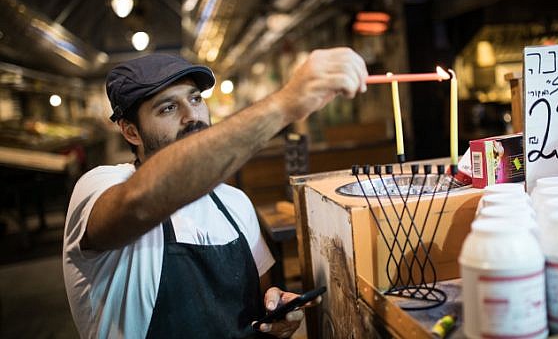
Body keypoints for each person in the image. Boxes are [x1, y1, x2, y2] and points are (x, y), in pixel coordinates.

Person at [62, 48, 368, 338]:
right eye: (168, 107)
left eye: (195, 99)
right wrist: (285, 104)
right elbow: (138, 203)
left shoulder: (234, 203)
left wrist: (278, 315)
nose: (191, 116)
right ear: (131, 131)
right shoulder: (100, 187)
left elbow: (262, 303)